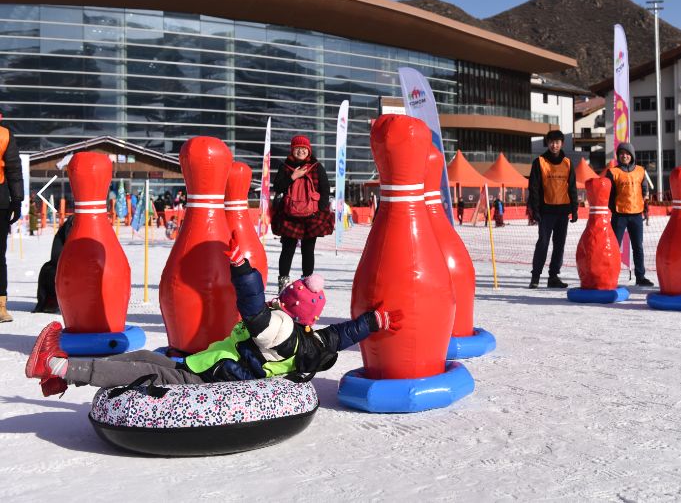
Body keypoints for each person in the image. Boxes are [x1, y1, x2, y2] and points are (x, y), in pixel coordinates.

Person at [25, 235, 402, 397]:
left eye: (283, 296)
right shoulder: (309, 338)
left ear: (289, 304)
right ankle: (68, 376)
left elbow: (252, 306)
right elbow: (341, 335)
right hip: (210, 366)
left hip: (210, 379)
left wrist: (242, 268)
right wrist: (373, 323)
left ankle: (57, 367)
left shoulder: (278, 328)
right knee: (145, 357)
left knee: (150, 370)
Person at [272, 135, 333, 293]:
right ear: (292, 150)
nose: (300, 151)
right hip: (289, 215)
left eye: (303, 148)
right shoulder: (285, 166)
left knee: (308, 250)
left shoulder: (316, 167)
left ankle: (308, 281)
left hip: (311, 216)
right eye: (297, 148)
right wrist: (293, 177)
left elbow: (325, 190)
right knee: (288, 249)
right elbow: (278, 187)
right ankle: (283, 282)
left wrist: (319, 210)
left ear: (309, 150)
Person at [527, 130, 578, 289]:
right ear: (547, 143)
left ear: (562, 143)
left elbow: (572, 188)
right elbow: (533, 187)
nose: (554, 145)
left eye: (557, 142)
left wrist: (574, 209)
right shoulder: (539, 162)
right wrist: (535, 210)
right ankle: (535, 276)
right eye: (551, 142)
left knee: (559, 245)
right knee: (543, 243)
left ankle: (553, 276)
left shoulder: (568, 163)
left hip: (562, 211)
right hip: (545, 211)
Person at [607, 142, 654, 287]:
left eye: (627, 153)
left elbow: (644, 189)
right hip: (619, 215)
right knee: (615, 248)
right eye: (621, 153)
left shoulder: (640, 170)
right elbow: (608, 194)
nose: (624, 156)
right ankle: (610, 276)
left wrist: (644, 199)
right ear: (618, 156)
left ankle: (640, 276)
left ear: (632, 155)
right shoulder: (613, 172)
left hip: (636, 215)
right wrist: (613, 209)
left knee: (638, 247)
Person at [0, 113, 24, 323]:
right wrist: (16, 199)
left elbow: (14, 170)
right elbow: (14, 169)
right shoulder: (5, 134)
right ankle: (0, 307)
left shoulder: (5, 135)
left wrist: (17, 199)